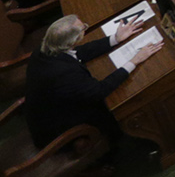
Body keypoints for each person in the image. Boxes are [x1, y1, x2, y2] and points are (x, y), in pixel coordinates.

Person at [26, 13, 154, 155]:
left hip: (52, 108)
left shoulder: (45, 49)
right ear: (73, 40)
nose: (86, 28)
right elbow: (99, 90)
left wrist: (115, 39)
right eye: (83, 28)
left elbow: (77, 53)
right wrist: (134, 61)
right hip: (59, 127)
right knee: (119, 102)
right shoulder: (64, 73)